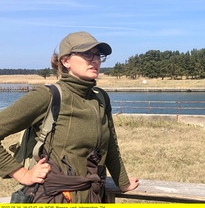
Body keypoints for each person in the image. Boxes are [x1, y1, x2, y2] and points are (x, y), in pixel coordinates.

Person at [0, 31, 139, 203]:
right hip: (56, 197)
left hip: (94, 196)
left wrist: (123, 182)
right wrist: (23, 174)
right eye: (87, 54)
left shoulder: (101, 98)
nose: (94, 60)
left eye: (98, 55)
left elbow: (110, 144)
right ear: (65, 61)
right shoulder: (47, 96)